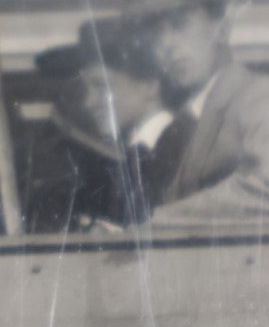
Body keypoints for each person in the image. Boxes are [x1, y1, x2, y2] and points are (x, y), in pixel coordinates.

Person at [123, 0, 269, 228]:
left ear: (222, 29)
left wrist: (159, 222)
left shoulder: (268, 98)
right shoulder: (186, 124)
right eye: (156, 36)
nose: (167, 46)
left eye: (180, 25)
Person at [24, 18, 172, 231]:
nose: (88, 102)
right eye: (87, 89)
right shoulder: (126, 159)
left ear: (149, 86)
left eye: (102, 86)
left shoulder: (183, 148)